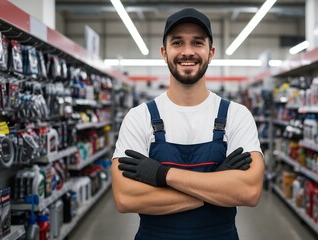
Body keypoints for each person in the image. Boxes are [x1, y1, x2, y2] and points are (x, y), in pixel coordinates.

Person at [111, 8, 264, 240]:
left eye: (197, 43)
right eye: (178, 43)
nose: (188, 52)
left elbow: (249, 192)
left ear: (211, 52)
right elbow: (126, 198)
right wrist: (216, 185)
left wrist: (162, 175)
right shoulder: (139, 117)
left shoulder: (237, 115)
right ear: (164, 52)